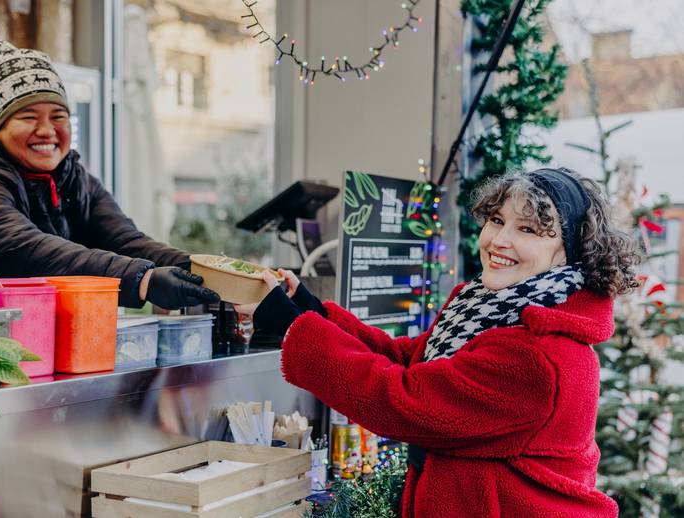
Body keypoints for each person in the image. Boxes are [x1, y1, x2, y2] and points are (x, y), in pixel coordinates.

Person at [239, 168, 640, 517]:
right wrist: (307, 311)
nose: (500, 239)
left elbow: (404, 398)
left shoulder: (538, 356)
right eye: (497, 220)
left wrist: (290, 327)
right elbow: (408, 360)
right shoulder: (486, 308)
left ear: (569, 254)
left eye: (528, 230)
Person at [0, 40, 219, 310]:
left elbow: (127, 241)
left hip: (42, 341)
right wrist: (143, 279)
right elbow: (29, 251)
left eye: (58, 116)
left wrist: (212, 273)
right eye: (28, 117)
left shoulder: (74, 178)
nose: (47, 131)